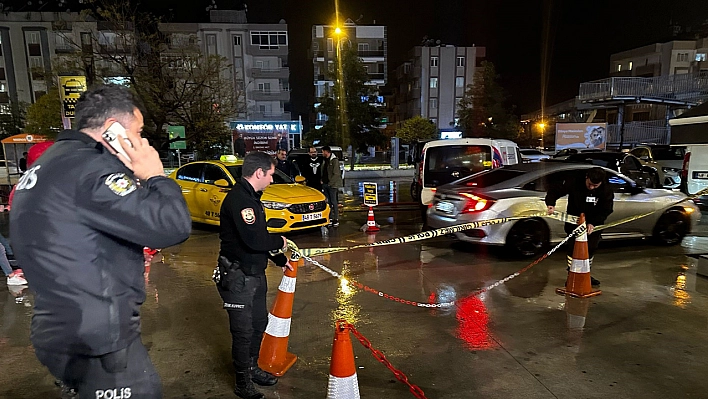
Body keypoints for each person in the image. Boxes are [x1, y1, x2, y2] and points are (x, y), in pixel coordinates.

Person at [10, 84, 192, 398]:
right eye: (137, 131)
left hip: (59, 331)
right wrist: (155, 176)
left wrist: (123, 253)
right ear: (112, 130)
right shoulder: (93, 170)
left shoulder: (51, 162)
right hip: (98, 340)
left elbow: (70, 237)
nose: (141, 141)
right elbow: (172, 225)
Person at [216, 151, 291, 399]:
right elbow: (255, 238)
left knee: (259, 324)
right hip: (238, 277)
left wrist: (280, 259)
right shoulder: (240, 201)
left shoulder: (252, 198)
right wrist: (280, 242)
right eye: (270, 175)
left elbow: (258, 235)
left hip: (255, 273)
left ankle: (252, 368)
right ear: (259, 172)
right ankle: (242, 382)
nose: (271, 180)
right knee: (243, 331)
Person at [545, 167, 614, 286]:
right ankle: (572, 274)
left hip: (593, 225)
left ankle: (585, 273)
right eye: (590, 184)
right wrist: (551, 203)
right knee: (573, 250)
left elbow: (606, 209)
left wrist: (593, 222)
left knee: (590, 249)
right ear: (586, 178)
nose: (591, 187)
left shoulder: (606, 190)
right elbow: (557, 189)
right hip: (574, 221)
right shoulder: (575, 181)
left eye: (595, 186)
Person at [322, 146, 343, 227]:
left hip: (332, 185)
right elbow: (323, 170)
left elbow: (336, 174)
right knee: (328, 202)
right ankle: (330, 218)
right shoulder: (325, 160)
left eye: (323, 151)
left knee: (334, 202)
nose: (322, 153)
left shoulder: (334, 161)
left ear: (326, 151)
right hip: (325, 184)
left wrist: (331, 183)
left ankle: (335, 219)